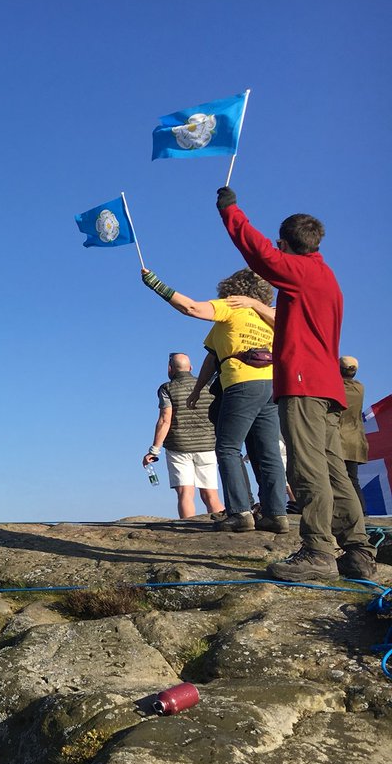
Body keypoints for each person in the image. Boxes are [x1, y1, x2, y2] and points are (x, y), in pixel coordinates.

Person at [215, 187, 375, 581]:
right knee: (333, 468)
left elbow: (259, 255)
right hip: (325, 385)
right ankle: (357, 551)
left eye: (279, 245)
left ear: (285, 244)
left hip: (302, 384)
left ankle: (318, 553)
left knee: (307, 468)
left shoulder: (299, 271)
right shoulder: (326, 276)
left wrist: (230, 210)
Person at [140, 267, 288, 533]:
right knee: (267, 453)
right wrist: (198, 390)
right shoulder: (269, 317)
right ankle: (276, 513)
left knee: (228, 448)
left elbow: (191, 308)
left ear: (233, 290)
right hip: (271, 385)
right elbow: (212, 356)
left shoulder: (232, 307)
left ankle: (240, 512)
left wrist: (155, 284)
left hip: (241, 383)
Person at [142, 352, 224, 519]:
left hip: (179, 447)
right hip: (208, 445)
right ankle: (222, 527)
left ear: (170, 369)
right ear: (191, 368)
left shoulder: (167, 388)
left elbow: (165, 420)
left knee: (185, 493)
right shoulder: (207, 385)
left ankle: (187, 529)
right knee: (211, 494)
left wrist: (154, 450)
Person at [339, 355, 369, 513]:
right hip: (355, 440)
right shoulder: (359, 388)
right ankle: (362, 512)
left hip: (339, 440)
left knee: (337, 480)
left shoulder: (336, 387)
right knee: (352, 479)